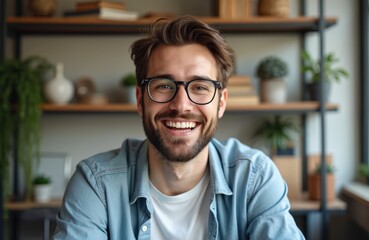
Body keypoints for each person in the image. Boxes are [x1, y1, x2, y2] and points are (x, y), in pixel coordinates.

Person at [54, 15, 305, 240]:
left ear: (221, 102)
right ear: (141, 100)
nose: (181, 105)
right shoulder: (96, 184)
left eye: (200, 87)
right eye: (164, 85)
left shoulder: (254, 178)